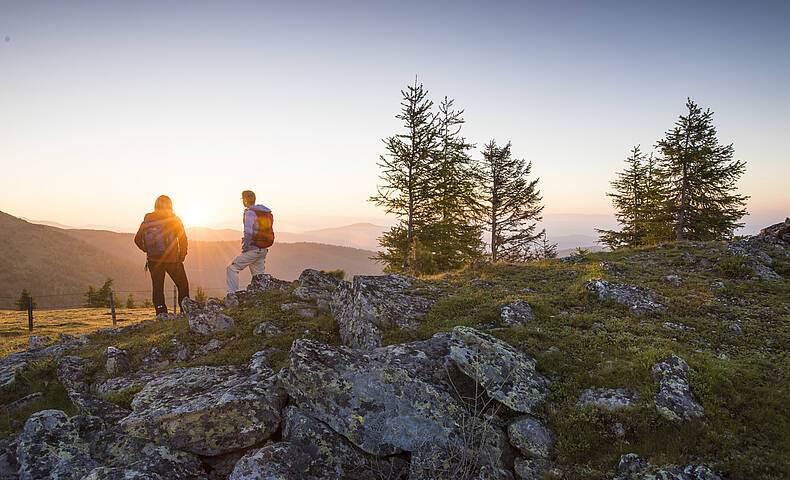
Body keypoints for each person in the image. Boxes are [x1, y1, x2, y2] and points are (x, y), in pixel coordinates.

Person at [134, 195, 189, 315]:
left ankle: (160, 312)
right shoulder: (174, 219)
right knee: (182, 285)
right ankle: (185, 311)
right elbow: (183, 239)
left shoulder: (148, 219)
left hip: (153, 260)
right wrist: (182, 256)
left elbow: (137, 239)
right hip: (172, 260)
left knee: (158, 287)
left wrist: (148, 250)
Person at [226, 190, 274, 295]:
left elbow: (248, 232)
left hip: (253, 249)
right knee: (259, 277)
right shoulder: (264, 212)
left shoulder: (250, 212)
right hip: (263, 249)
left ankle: (232, 294)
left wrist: (245, 248)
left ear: (245, 200)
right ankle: (262, 297)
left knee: (231, 268)